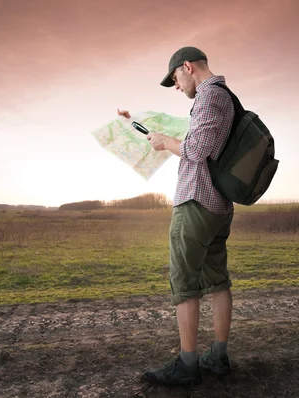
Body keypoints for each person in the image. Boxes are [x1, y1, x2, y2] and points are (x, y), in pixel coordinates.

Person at [118, 46, 235, 386]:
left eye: (175, 80)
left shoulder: (210, 97)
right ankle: (218, 357)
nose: (177, 88)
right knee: (218, 280)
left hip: (196, 201)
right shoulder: (224, 97)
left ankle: (187, 365)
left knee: (184, 282)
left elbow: (196, 150)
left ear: (188, 67)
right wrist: (132, 123)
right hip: (219, 204)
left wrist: (168, 142)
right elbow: (201, 141)